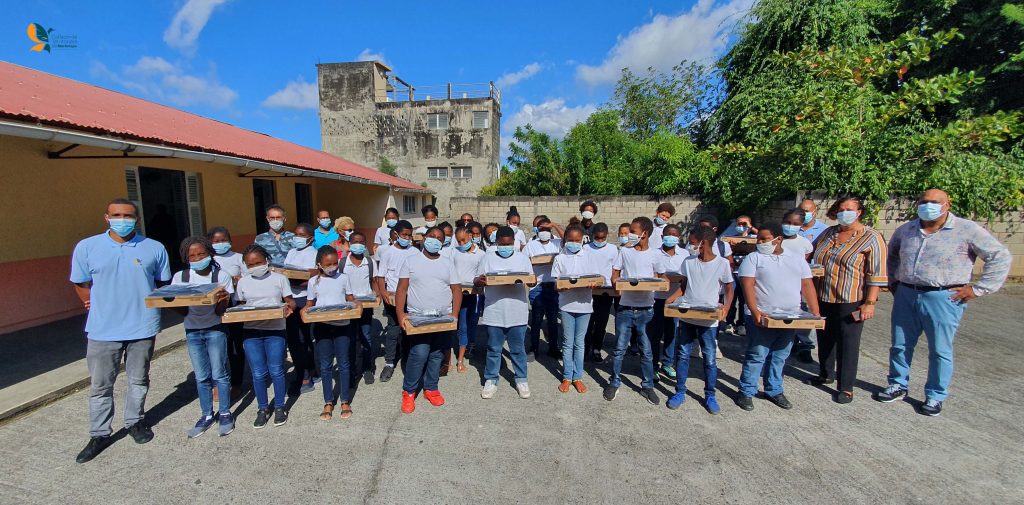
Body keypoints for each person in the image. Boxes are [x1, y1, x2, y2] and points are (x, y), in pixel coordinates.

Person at [876, 188, 1011, 416]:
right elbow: (891, 256)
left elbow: (999, 256)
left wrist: (978, 289)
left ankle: (935, 395)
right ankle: (897, 384)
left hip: (943, 296)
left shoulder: (966, 229)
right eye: (923, 201)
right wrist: (893, 281)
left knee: (940, 349)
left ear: (947, 205)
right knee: (900, 345)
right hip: (907, 293)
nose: (927, 206)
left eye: (934, 202)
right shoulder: (906, 230)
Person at [71, 199, 171, 464]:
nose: (122, 220)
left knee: (139, 379)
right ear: (106, 217)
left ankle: (135, 422)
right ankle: (99, 433)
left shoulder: (154, 248)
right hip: (103, 329)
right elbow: (80, 282)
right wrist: (89, 301)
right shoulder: (87, 247)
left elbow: (162, 284)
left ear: (137, 218)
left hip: (142, 326)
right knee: (101, 385)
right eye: (117, 215)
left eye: (128, 215)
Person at [807, 196, 888, 404]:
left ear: (859, 212)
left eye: (849, 209)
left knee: (848, 342)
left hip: (850, 298)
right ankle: (826, 373)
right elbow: (810, 253)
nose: (844, 213)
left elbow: (876, 274)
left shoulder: (871, 237)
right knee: (825, 337)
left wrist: (869, 303)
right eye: (841, 209)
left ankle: (846, 387)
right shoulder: (829, 233)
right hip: (824, 295)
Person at [735, 223, 820, 412]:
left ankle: (774, 390)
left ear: (778, 239)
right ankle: (746, 391)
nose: (760, 242)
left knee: (780, 354)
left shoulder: (796, 259)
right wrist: (754, 311)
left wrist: (815, 313)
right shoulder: (754, 258)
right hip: (762, 315)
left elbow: (807, 285)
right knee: (757, 354)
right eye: (758, 239)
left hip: (790, 316)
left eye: (764, 239)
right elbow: (747, 284)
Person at [664, 225, 735, 413]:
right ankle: (680, 392)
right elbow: (684, 286)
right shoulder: (688, 262)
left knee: (709, 358)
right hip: (687, 317)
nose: (690, 246)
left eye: (693, 242)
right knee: (682, 355)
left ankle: (710, 395)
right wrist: (671, 300)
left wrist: (726, 307)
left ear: (703, 243)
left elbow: (729, 288)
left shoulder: (722, 264)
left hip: (709, 321)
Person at [172, 237, 234, 438]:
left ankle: (225, 413)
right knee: (201, 376)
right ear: (186, 258)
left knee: (219, 373)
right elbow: (182, 310)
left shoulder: (221, 276)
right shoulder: (181, 277)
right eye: (192, 256)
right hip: (192, 331)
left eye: (201, 254)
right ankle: (206, 415)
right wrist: (174, 301)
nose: (198, 258)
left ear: (210, 254)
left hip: (215, 329)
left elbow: (221, 311)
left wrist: (223, 300)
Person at [396, 227, 462, 414]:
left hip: (443, 317)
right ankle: (409, 392)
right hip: (418, 317)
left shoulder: (447, 263)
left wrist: (454, 314)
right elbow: (402, 289)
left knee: (436, 354)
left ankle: (431, 388)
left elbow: (456, 290)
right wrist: (401, 314)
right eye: (432, 236)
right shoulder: (411, 260)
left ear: (443, 242)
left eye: (439, 238)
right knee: (419, 353)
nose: (435, 240)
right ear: (424, 238)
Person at [234, 244, 296, 429]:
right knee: (258, 373)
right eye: (250, 265)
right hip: (251, 332)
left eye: (258, 262)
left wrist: (289, 308)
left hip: (275, 331)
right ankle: (262, 409)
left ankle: (279, 407)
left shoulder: (280, 279)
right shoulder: (243, 282)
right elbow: (241, 304)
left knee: (276, 370)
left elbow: (290, 301)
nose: (255, 267)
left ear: (267, 261)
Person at [606, 217, 661, 405]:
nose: (630, 234)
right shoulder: (625, 252)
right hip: (625, 308)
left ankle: (647, 386)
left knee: (646, 351)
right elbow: (615, 273)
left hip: (646, 310)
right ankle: (614, 382)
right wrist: (617, 285)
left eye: (633, 231)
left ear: (644, 233)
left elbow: (661, 278)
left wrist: (653, 285)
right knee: (619, 349)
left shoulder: (655, 254)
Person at [476, 226, 534, 399]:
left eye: (509, 244)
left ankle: (521, 379)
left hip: (517, 312)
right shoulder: (488, 257)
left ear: (514, 242)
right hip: (495, 311)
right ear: (496, 243)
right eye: (502, 244)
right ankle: (491, 379)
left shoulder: (522, 258)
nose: (505, 247)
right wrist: (480, 281)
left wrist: (532, 281)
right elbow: (477, 279)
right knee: (494, 349)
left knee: (518, 349)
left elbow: (531, 279)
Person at [301, 246, 356, 421]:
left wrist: (358, 305)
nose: (332, 267)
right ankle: (328, 401)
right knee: (325, 365)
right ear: (319, 264)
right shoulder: (313, 282)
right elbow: (310, 303)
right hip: (322, 327)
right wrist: (304, 310)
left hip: (342, 326)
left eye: (334, 263)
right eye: (328, 264)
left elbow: (350, 299)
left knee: (344, 363)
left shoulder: (344, 278)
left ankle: (345, 400)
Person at [551, 225, 596, 393]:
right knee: (568, 342)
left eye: (577, 240)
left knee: (579, 343)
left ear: (582, 240)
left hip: (584, 306)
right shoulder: (560, 258)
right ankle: (567, 377)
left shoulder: (589, 257)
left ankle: (578, 377)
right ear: (565, 240)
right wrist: (561, 287)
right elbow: (556, 284)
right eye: (571, 240)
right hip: (566, 305)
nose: (574, 243)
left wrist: (592, 284)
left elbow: (597, 278)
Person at [374, 220, 419, 382]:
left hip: (411, 297)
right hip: (393, 298)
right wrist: (383, 292)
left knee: (409, 329)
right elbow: (381, 276)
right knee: (393, 330)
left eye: (409, 235)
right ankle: (389, 362)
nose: (407, 238)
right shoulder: (387, 253)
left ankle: (407, 358)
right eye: (404, 235)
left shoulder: (415, 252)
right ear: (396, 234)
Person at [208, 226, 246, 399]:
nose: (220, 243)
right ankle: (218, 383)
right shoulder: (207, 259)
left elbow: (248, 278)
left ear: (230, 240)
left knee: (235, 347)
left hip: (234, 306)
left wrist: (238, 280)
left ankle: (237, 383)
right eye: (216, 241)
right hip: (212, 309)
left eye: (223, 240)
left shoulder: (238, 258)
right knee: (217, 347)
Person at [283, 224, 319, 395]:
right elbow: (285, 272)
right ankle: (308, 371)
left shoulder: (313, 254)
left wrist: (296, 281)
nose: (297, 237)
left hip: (305, 299)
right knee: (295, 339)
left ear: (310, 238)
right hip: (290, 297)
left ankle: (305, 377)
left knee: (303, 338)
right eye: (296, 234)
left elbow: (314, 276)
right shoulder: (291, 252)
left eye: (302, 235)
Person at [341, 232, 378, 385]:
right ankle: (351, 370)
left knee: (366, 336)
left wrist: (377, 296)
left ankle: (367, 368)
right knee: (350, 339)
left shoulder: (370, 262)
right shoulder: (342, 263)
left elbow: (374, 281)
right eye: (355, 242)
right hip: (348, 307)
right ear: (349, 244)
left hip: (366, 306)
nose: (358, 245)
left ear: (365, 244)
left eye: (361, 242)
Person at [651, 224, 685, 380]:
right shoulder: (654, 253)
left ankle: (667, 363)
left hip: (675, 300)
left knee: (672, 332)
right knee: (655, 332)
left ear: (679, 237)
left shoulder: (684, 254)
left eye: (674, 234)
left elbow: (686, 277)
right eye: (668, 234)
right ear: (662, 236)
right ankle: (653, 365)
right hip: (657, 298)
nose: (671, 237)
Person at [525, 217, 562, 360]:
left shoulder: (557, 242)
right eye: (542, 229)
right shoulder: (531, 245)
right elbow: (525, 263)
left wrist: (554, 225)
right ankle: (533, 348)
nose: (544, 232)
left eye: (547, 229)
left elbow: (568, 239)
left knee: (552, 320)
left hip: (553, 286)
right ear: (537, 230)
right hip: (537, 287)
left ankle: (553, 348)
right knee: (536, 320)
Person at [452, 226, 485, 372]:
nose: (461, 244)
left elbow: (480, 276)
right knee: (460, 325)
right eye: (458, 241)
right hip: (456, 294)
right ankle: (459, 357)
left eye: (463, 240)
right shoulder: (454, 252)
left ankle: (469, 346)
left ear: (470, 236)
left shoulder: (481, 254)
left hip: (473, 294)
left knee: (470, 322)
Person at [585, 223, 618, 362]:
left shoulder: (613, 249)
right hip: (589, 289)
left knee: (601, 322)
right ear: (592, 236)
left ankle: (596, 348)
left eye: (602, 238)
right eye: (597, 238)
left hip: (606, 291)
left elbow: (615, 270)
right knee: (588, 321)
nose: (599, 241)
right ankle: (585, 349)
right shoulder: (586, 248)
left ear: (607, 236)